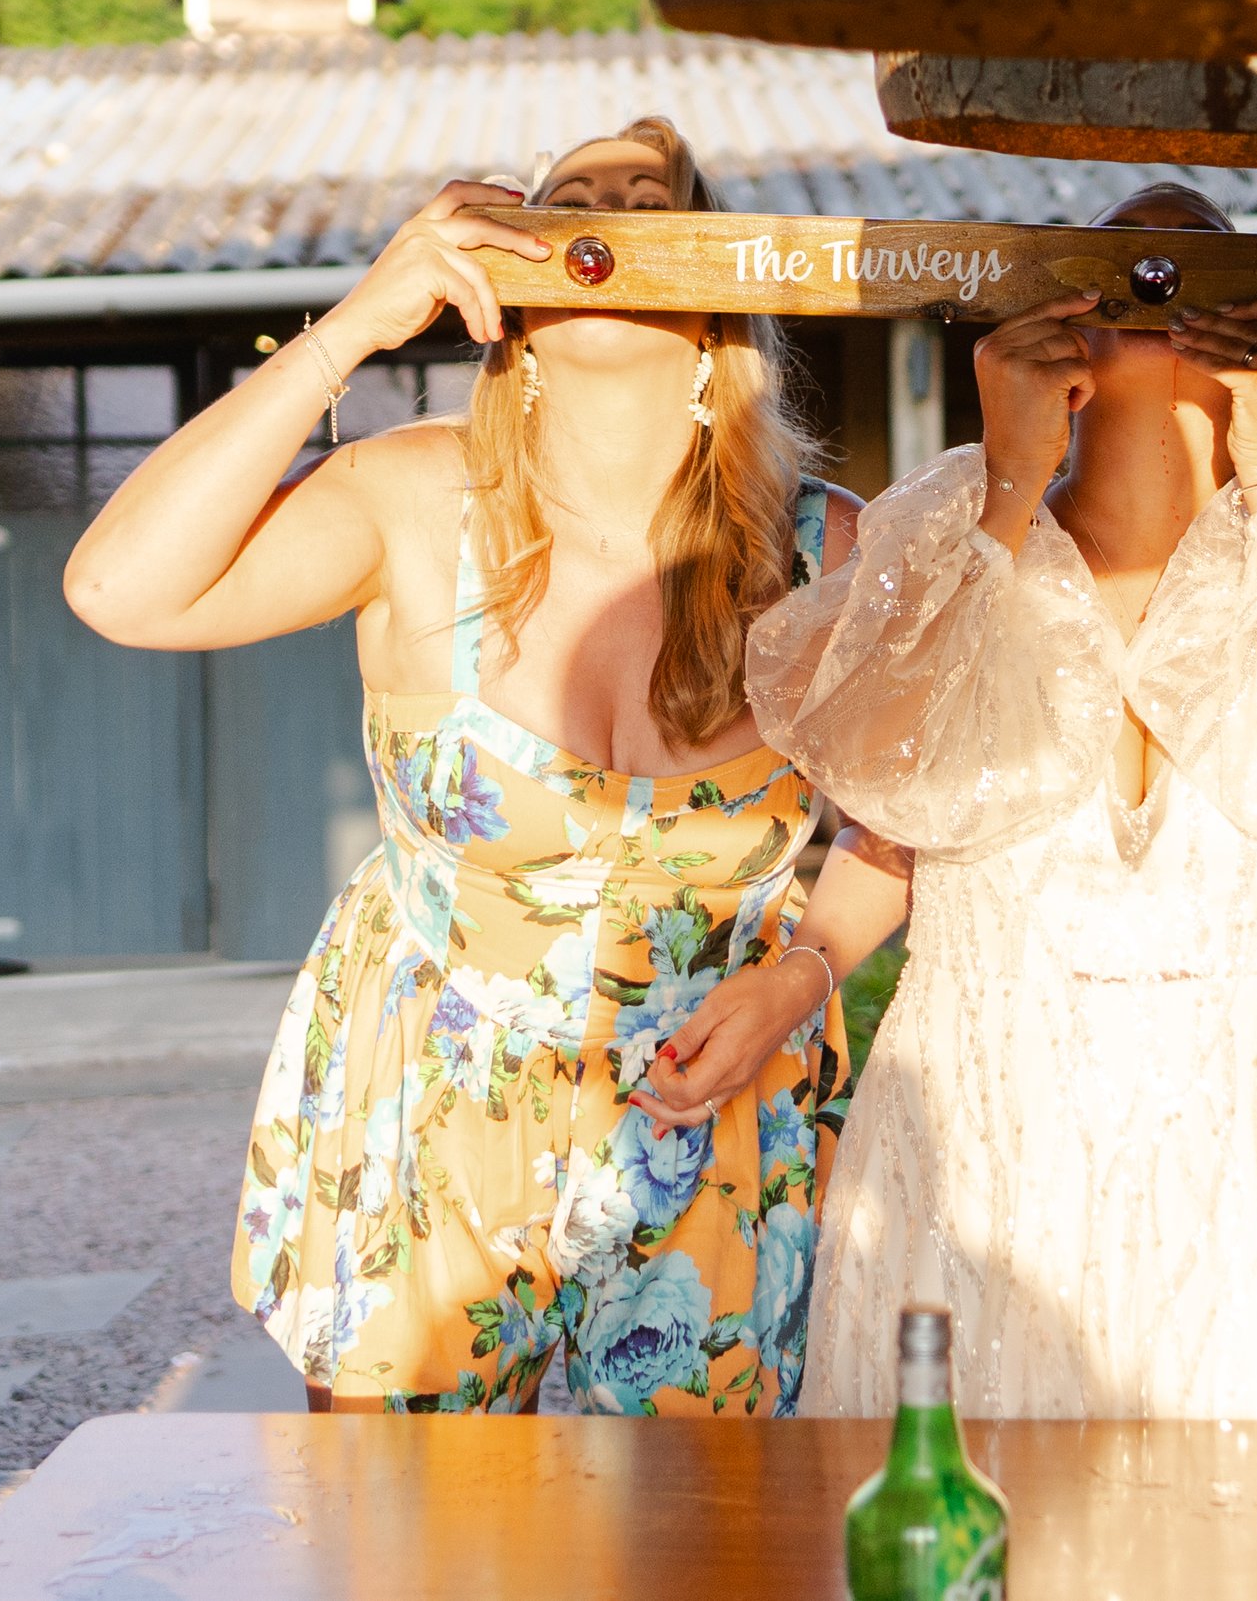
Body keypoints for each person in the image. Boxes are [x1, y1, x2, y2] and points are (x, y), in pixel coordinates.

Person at [64, 118, 910, 1415]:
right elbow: (119, 589)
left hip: (720, 1096)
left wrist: (800, 984)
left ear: (712, 310)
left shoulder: (823, 552)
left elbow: (902, 824)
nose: (613, 212)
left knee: (708, 1545)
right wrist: (353, 325)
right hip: (428, 1104)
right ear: (511, 292)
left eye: (652, 200)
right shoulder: (411, 502)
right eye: (577, 197)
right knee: (413, 1540)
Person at [746, 181, 1257, 1421]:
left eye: (1200, 271)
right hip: (991, 1158)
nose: (1160, 288)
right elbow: (879, 772)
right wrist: (1003, 482)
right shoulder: (945, 538)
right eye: (1117, 268)